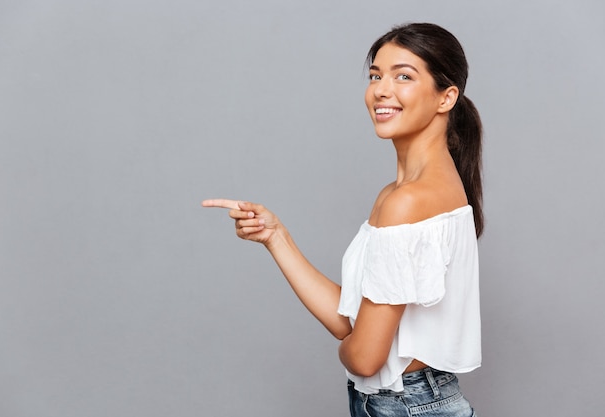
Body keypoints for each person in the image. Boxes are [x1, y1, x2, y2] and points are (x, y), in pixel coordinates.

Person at [202, 22, 483, 417]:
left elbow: (365, 357)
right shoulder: (406, 192)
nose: (381, 89)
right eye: (375, 75)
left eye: (404, 76)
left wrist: (348, 352)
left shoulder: (408, 201)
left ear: (446, 97)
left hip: (404, 405)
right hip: (417, 401)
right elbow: (350, 320)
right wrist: (276, 237)